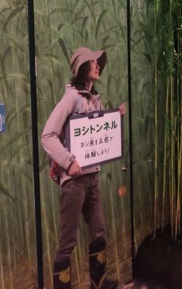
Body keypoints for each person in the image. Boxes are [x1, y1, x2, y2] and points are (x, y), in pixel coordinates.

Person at [41, 47, 125, 289]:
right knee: (67, 241)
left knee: (98, 231)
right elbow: (48, 135)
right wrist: (69, 161)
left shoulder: (94, 97)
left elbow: (96, 134)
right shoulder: (72, 97)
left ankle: (97, 284)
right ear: (81, 68)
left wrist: (114, 119)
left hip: (92, 177)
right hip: (74, 180)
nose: (98, 65)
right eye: (93, 62)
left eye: (99, 62)